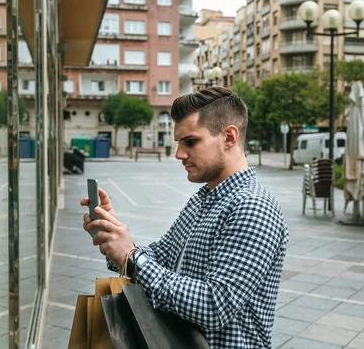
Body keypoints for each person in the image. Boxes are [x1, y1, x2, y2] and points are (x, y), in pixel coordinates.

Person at [81, 86, 289, 348]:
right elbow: (162, 255)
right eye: (179, 143)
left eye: (191, 142)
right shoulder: (205, 198)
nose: (179, 154)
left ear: (229, 137)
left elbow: (214, 306)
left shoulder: (252, 207)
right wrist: (115, 239)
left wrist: (132, 258)